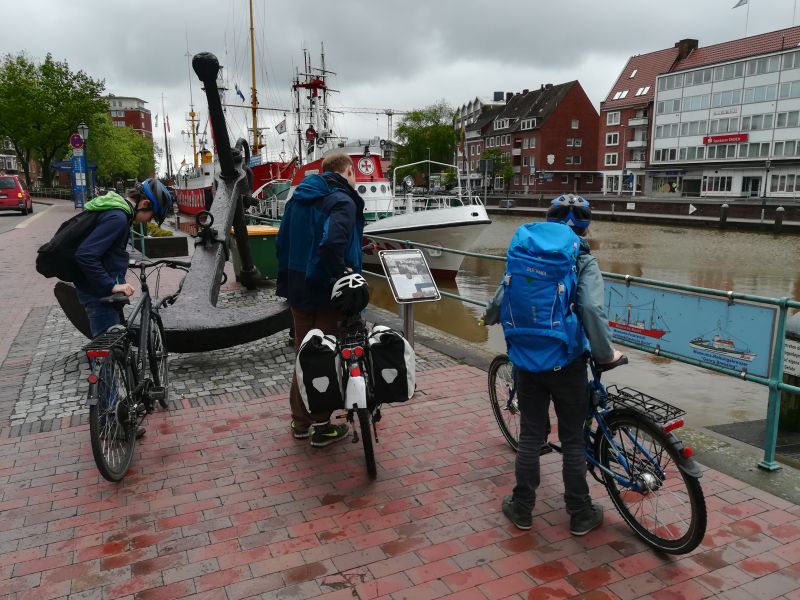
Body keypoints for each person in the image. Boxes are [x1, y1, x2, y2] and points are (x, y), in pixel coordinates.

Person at [485, 194, 623, 536]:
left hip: (527, 360)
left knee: (532, 434)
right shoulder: (583, 258)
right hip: (567, 362)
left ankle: (522, 508)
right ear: (586, 225)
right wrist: (606, 355)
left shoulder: (525, 250)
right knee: (573, 439)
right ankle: (579, 513)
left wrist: (488, 317)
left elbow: (504, 294)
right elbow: (591, 310)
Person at [276, 151, 366, 447]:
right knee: (324, 355)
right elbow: (331, 243)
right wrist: (339, 274)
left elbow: (282, 242)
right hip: (326, 290)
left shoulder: (297, 199)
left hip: (297, 285)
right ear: (348, 171)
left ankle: (300, 422)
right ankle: (323, 425)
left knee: (305, 351)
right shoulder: (341, 200)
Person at [75, 178, 174, 338]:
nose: (148, 221)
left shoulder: (116, 212)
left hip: (99, 289)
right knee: (107, 347)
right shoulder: (118, 218)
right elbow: (86, 255)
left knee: (116, 342)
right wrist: (111, 286)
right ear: (145, 204)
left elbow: (107, 251)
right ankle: (105, 362)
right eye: (151, 216)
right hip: (100, 294)